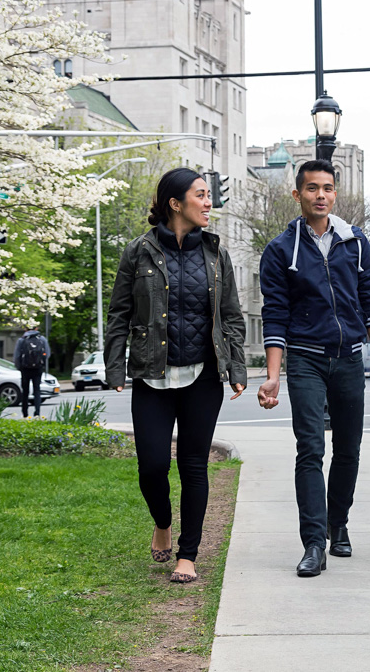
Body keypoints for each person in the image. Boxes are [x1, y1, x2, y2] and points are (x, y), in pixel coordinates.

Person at [105, 167, 248, 585]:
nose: (209, 203)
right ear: (175, 203)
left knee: (193, 466)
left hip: (204, 374)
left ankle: (188, 554)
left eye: (209, 195)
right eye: (201, 195)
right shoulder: (139, 252)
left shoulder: (216, 253)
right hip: (153, 375)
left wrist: (236, 367)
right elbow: (119, 313)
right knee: (151, 467)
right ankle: (162, 521)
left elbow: (232, 316)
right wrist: (115, 365)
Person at [257, 159, 370, 578]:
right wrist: (273, 375)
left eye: (328, 188)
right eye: (312, 188)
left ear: (335, 194)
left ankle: (339, 523)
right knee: (310, 449)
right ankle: (314, 542)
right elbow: (275, 315)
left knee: (348, 449)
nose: (321, 195)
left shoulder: (355, 243)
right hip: (304, 358)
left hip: (351, 357)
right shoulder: (281, 250)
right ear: (297, 195)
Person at [14, 326, 50, 418]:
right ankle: (37, 413)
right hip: (38, 368)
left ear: (25, 329)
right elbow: (47, 354)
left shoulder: (21, 340)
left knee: (25, 391)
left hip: (25, 369)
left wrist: (19, 367)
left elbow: (17, 355)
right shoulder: (42, 339)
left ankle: (25, 414)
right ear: (36, 328)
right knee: (37, 390)